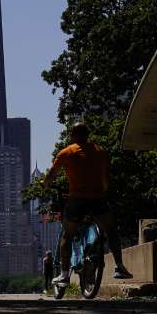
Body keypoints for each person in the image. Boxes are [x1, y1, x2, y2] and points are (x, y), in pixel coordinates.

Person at [41, 122, 132, 287]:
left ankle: (63, 275)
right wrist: (103, 192)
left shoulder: (66, 152)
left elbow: (50, 177)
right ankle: (119, 267)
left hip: (77, 199)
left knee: (67, 235)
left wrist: (45, 183)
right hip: (98, 199)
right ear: (88, 134)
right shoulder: (100, 151)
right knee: (111, 231)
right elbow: (106, 178)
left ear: (72, 135)